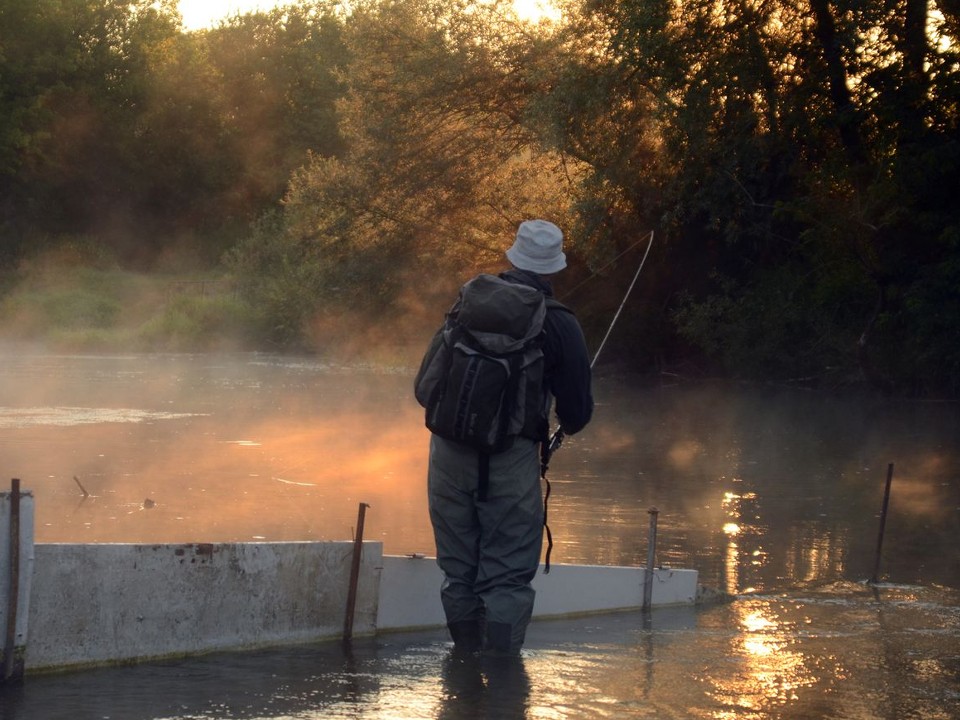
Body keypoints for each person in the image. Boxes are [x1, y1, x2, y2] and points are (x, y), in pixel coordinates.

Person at [424, 219, 593, 656]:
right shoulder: (560, 324)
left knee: (458, 571)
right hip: (511, 461)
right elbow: (575, 414)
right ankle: (502, 685)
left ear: (512, 256)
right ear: (553, 268)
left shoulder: (470, 300)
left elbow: (425, 387)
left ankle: (462, 671)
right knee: (507, 578)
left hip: (447, 455)